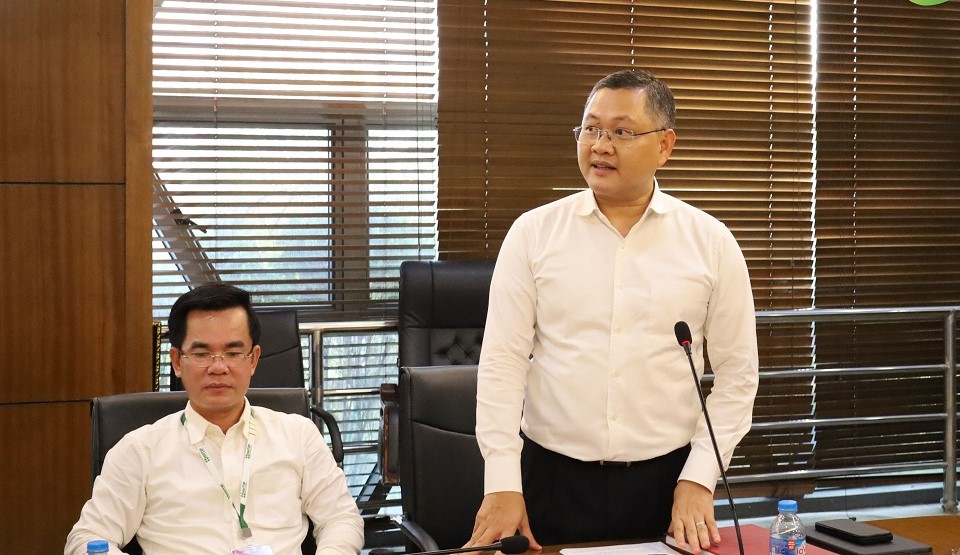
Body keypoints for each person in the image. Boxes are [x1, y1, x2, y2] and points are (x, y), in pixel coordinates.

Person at [465, 69, 759, 555]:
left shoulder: (711, 243)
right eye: (590, 129)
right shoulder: (533, 234)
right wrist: (501, 482)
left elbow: (738, 376)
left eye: (621, 131)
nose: (600, 145)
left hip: (668, 485)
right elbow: (502, 364)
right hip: (551, 480)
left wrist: (701, 476)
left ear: (665, 145)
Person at [65, 283, 364, 555]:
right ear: (177, 361)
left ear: (253, 360)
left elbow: (341, 518)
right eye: (202, 354)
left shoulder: (298, 435)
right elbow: (86, 538)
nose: (218, 367)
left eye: (233, 353)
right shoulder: (139, 450)